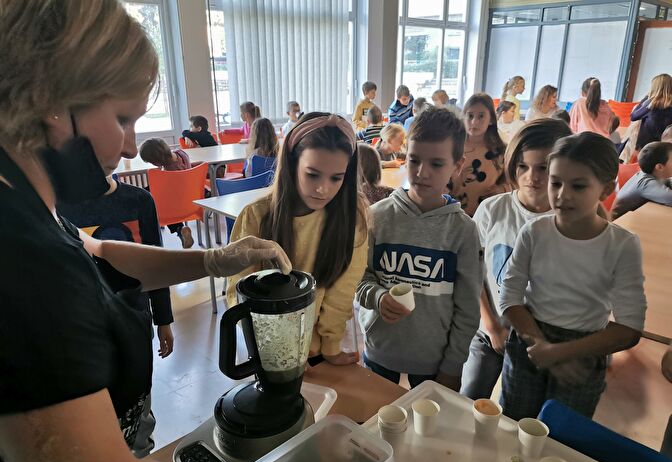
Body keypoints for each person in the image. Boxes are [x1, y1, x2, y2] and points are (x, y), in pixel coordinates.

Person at [0, 1, 312, 462]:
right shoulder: (20, 259)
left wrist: (213, 260)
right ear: (51, 100)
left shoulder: (22, 203)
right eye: (123, 118)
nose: (129, 147)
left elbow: (98, 253)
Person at [499, 132, 646, 420]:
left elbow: (629, 328)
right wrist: (542, 347)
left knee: (563, 437)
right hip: (530, 340)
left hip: (585, 350)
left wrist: (560, 353)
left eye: (578, 186)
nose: (562, 195)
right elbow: (510, 296)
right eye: (556, 183)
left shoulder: (622, 245)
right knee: (514, 425)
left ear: (605, 189)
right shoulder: (534, 232)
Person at [226, 113, 368, 367]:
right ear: (292, 164)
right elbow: (238, 293)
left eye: (336, 178)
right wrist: (275, 349)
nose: (323, 189)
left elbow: (343, 290)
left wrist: (331, 346)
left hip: (318, 352)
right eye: (312, 174)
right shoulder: (256, 217)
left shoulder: (352, 218)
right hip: (269, 348)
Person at [356, 107, 481, 391]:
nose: (422, 173)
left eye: (437, 164)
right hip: (380, 350)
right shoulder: (377, 217)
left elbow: (468, 308)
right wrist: (377, 296)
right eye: (414, 160)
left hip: (434, 361)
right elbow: (358, 279)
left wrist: (453, 365)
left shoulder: (464, 231)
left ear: (457, 165)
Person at [58, 175, 177, 457]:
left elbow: (155, 263)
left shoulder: (139, 201)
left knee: (139, 411)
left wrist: (163, 320)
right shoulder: (57, 207)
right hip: (84, 335)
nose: (130, 149)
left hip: (135, 324)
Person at [460, 119, 573, 401]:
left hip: (537, 341)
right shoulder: (493, 209)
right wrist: (491, 326)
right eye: (523, 166)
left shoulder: (572, 220)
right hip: (489, 330)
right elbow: (473, 267)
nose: (531, 178)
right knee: (468, 398)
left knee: (518, 411)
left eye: (543, 168)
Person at [449, 93, 508, 217]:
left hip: (485, 216)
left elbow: (513, 181)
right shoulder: (451, 147)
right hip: (451, 214)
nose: (474, 122)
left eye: (481, 116)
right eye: (470, 116)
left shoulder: (501, 151)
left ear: (491, 119)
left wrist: (500, 189)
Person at [139, 137, 198, 248]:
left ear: (157, 160)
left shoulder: (167, 172)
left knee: (149, 201)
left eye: (151, 162)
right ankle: (180, 229)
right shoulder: (181, 153)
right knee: (147, 192)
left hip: (176, 204)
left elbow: (162, 191)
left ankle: (179, 229)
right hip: (191, 198)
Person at [611, 141, 672, 219]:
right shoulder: (646, 184)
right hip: (621, 223)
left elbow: (668, 183)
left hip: (639, 217)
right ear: (659, 167)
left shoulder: (655, 174)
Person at [631, 73, 672, 150]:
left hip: (646, 145)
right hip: (665, 146)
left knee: (637, 124)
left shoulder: (651, 104)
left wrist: (646, 98)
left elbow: (634, 116)